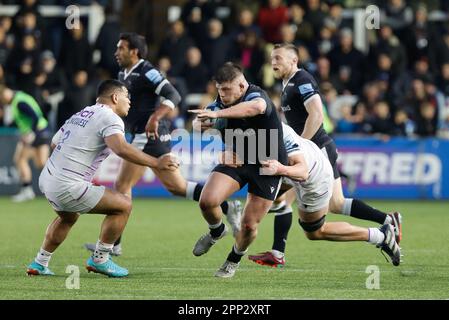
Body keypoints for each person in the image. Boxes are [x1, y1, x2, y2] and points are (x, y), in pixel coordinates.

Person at [84, 33, 242, 256]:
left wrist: (156, 117)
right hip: (143, 134)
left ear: (134, 52)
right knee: (176, 187)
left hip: (151, 135)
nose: (116, 52)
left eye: (121, 48)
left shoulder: (147, 70)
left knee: (122, 186)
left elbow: (173, 95)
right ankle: (226, 205)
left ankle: (112, 246)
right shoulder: (123, 73)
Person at [248, 43, 402, 268]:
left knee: (289, 204)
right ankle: (387, 221)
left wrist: (301, 147)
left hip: (316, 150)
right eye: (272, 58)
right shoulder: (287, 83)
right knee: (336, 204)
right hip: (320, 148)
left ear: (294, 61)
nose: (274, 62)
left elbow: (317, 114)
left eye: (279, 58)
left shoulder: (302, 80)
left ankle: (277, 252)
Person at [26, 79, 179, 277]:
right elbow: (120, 148)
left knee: (68, 217)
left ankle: (39, 263)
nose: (129, 102)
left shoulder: (81, 113)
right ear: (115, 97)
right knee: (123, 205)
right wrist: (156, 163)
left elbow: (55, 144)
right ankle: (101, 259)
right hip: (67, 185)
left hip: (47, 179)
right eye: (127, 97)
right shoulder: (110, 117)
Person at [188, 62, 288, 278]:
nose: (222, 94)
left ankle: (233, 260)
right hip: (238, 159)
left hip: (268, 166)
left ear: (242, 86)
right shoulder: (219, 104)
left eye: (227, 90)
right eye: (219, 89)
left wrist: (217, 115)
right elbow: (198, 125)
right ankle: (217, 231)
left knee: (249, 225)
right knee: (207, 201)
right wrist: (203, 123)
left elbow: (255, 109)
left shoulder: (256, 96)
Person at [259, 123, 401, 268]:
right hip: (303, 157)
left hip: (310, 163)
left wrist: (297, 147)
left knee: (318, 227)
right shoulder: (263, 121)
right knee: (282, 202)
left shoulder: (263, 115)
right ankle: (277, 252)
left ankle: (382, 233)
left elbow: (317, 114)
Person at [0, 85, 50, 202]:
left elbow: (35, 116)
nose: (2, 102)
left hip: (35, 133)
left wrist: (31, 132)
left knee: (20, 159)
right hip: (42, 132)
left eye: (1, 99)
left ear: (5, 94)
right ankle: (57, 186)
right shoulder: (19, 97)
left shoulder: (19, 102)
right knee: (40, 163)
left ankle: (27, 190)